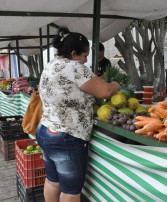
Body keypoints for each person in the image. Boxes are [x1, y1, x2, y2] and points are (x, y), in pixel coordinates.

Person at [36, 27, 120, 202]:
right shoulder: (74, 67)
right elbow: (105, 91)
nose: (86, 60)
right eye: (84, 56)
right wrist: (115, 84)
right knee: (71, 191)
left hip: (46, 130)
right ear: (74, 54)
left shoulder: (51, 65)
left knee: (53, 182)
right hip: (67, 135)